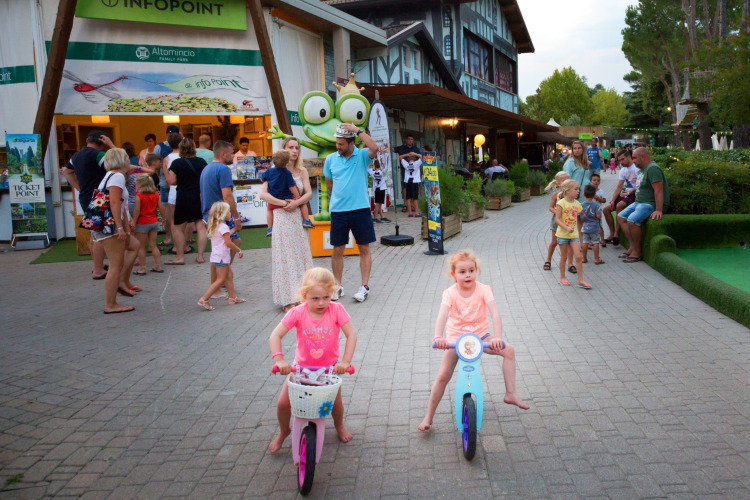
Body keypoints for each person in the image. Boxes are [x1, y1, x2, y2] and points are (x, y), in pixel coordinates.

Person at [418, 250, 528, 431]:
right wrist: (439, 337)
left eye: (471, 270)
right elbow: (442, 315)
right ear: (453, 275)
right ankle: (428, 416)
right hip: (456, 339)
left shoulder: (484, 289)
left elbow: (494, 313)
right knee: (442, 376)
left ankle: (511, 393)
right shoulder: (450, 293)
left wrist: (497, 337)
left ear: (476, 271)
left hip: (481, 337)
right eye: (462, 272)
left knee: (509, 350)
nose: (468, 275)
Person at [268, 267, 357, 452]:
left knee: (335, 404)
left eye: (326, 297)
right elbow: (275, 336)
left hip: (330, 368)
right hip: (300, 368)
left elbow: (352, 335)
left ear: (332, 293)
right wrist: (279, 360)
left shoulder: (336, 310)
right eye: (315, 298)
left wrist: (345, 362)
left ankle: (339, 425)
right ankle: (284, 431)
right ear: (304, 295)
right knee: (283, 404)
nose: (321, 302)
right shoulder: (297, 312)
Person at [324, 123, 378, 303]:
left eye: (341, 144)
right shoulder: (331, 159)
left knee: (364, 248)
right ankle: (337, 285)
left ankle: (364, 287)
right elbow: (329, 183)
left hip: (360, 209)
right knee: (337, 249)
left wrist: (358, 130)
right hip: (338, 211)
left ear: (351, 143)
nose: (337, 147)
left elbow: (374, 148)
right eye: (336, 143)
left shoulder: (362, 155)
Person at [260, 139, 315, 311]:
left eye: (296, 148)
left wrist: (296, 203)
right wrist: (284, 203)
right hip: (281, 217)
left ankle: (303, 296)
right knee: (285, 257)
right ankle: (287, 299)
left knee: (300, 256)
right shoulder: (273, 171)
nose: (294, 151)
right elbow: (263, 195)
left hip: (296, 218)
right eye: (290, 147)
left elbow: (309, 194)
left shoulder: (302, 170)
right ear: (283, 150)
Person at [91, 148, 142, 313]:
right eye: (127, 157)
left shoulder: (111, 175)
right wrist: (121, 228)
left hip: (112, 225)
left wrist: (126, 227)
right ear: (121, 160)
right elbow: (114, 203)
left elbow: (119, 204)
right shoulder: (118, 176)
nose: (129, 161)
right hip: (111, 227)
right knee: (115, 265)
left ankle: (121, 285)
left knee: (133, 245)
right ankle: (111, 303)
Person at [61, 129, 115, 280]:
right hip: (99, 198)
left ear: (87, 140)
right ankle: (98, 269)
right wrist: (111, 145)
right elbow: (118, 163)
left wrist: (79, 187)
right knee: (100, 235)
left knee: (94, 232)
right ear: (102, 142)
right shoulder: (98, 155)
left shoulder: (77, 155)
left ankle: (96, 265)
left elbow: (66, 172)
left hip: (86, 197)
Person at [200, 140, 242, 295]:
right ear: (223, 154)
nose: (233, 156)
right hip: (219, 215)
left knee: (221, 246)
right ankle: (219, 281)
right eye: (231, 153)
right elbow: (227, 195)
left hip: (209, 214)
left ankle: (219, 280)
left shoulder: (206, 169)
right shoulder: (223, 169)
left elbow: (202, 194)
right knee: (227, 244)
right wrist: (236, 218)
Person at [617, 147, 670, 263]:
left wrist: (659, 209)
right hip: (639, 202)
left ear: (642, 157)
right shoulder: (641, 170)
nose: (633, 160)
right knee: (621, 217)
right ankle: (632, 246)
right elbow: (639, 187)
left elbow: (659, 190)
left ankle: (638, 251)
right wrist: (629, 192)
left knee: (632, 220)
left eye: (635, 158)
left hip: (649, 203)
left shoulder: (653, 169)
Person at [166, 138, 208, 265]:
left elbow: (172, 181)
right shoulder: (201, 162)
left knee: (178, 228)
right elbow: (205, 179)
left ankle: (180, 257)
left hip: (183, 196)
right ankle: (200, 256)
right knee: (200, 227)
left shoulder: (177, 163)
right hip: (198, 196)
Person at [197, 202, 245, 310]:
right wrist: (238, 250)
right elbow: (228, 242)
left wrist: (234, 229)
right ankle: (204, 299)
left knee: (229, 275)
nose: (230, 213)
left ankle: (232, 297)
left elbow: (225, 234)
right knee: (220, 279)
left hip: (216, 257)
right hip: (222, 257)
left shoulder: (215, 225)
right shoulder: (223, 227)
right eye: (228, 211)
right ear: (222, 214)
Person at [555, 179, 590, 289]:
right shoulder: (561, 203)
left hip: (573, 235)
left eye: (578, 189)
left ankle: (580, 280)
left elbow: (580, 216)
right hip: (563, 235)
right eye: (575, 189)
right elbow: (557, 219)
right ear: (568, 191)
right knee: (564, 257)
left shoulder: (577, 204)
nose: (578, 191)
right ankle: (562, 278)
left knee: (578, 257)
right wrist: (566, 227)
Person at [261, 149, 303, 237]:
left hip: (273, 200)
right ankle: (306, 220)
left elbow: (262, 178)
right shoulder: (287, 173)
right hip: (287, 199)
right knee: (303, 203)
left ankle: (269, 228)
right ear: (286, 163)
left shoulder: (269, 171)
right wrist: (297, 196)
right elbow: (292, 187)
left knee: (269, 209)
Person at [603, 149, 638, 245]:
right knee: (606, 209)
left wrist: (628, 193)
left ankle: (616, 234)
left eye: (622, 160)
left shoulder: (637, 168)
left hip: (634, 194)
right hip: (625, 194)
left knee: (619, 206)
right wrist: (612, 200)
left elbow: (639, 186)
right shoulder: (623, 170)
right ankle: (611, 233)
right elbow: (619, 186)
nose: (621, 162)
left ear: (629, 157)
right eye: (619, 160)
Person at [132, 174, 164, 275]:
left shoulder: (139, 196)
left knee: (141, 247)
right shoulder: (155, 194)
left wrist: (133, 221)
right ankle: (158, 266)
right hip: (154, 222)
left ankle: (142, 268)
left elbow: (137, 210)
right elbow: (160, 207)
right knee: (153, 245)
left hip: (142, 223)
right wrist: (164, 218)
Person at [543, 171, 573, 272]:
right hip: (557, 220)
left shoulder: (571, 193)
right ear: (559, 183)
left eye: (568, 180)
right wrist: (558, 212)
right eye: (564, 181)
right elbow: (551, 207)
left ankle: (570, 264)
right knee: (554, 241)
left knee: (569, 243)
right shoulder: (556, 194)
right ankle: (548, 260)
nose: (567, 182)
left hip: (568, 221)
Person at [159, 132, 182, 254]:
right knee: (187, 220)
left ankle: (175, 245)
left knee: (173, 220)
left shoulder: (167, 158)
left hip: (173, 190)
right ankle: (185, 243)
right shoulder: (185, 156)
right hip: (186, 190)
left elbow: (167, 178)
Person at [394, 134, 421, 212]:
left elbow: (401, 157)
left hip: (413, 172)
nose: (410, 141)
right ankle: (407, 205)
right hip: (405, 172)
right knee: (406, 189)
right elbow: (393, 149)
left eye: (412, 139)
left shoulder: (416, 149)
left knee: (412, 192)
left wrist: (413, 154)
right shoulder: (402, 148)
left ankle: (410, 209)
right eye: (409, 139)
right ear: (406, 140)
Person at [579, 184, 605, 265]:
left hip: (585, 227)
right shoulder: (596, 205)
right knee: (596, 242)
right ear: (594, 195)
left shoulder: (581, 205)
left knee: (585, 242)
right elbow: (598, 216)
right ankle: (596, 259)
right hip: (594, 227)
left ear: (584, 194)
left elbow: (580, 216)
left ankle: (584, 258)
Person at [401, 152, 422, 217]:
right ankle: (416, 213)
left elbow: (400, 157)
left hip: (408, 181)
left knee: (408, 198)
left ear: (407, 158)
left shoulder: (406, 164)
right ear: (415, 158)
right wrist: (414, 154)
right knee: (415, 198)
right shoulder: (416, 163)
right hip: (414, 181)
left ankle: (410, 213)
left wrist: (407, 154)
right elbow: (422, 157)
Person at [588, 173, 607, 246]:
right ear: (590, 181)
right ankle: (590, 240)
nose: (596, 182)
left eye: (598, 181)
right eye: (594, 180)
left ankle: (602, 239)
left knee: (599, 225)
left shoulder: (601, 191)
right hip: (589, 211)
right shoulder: (589, 191)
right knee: (589, 225)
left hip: (597, 211)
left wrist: (598, 199)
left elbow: (604, 200)